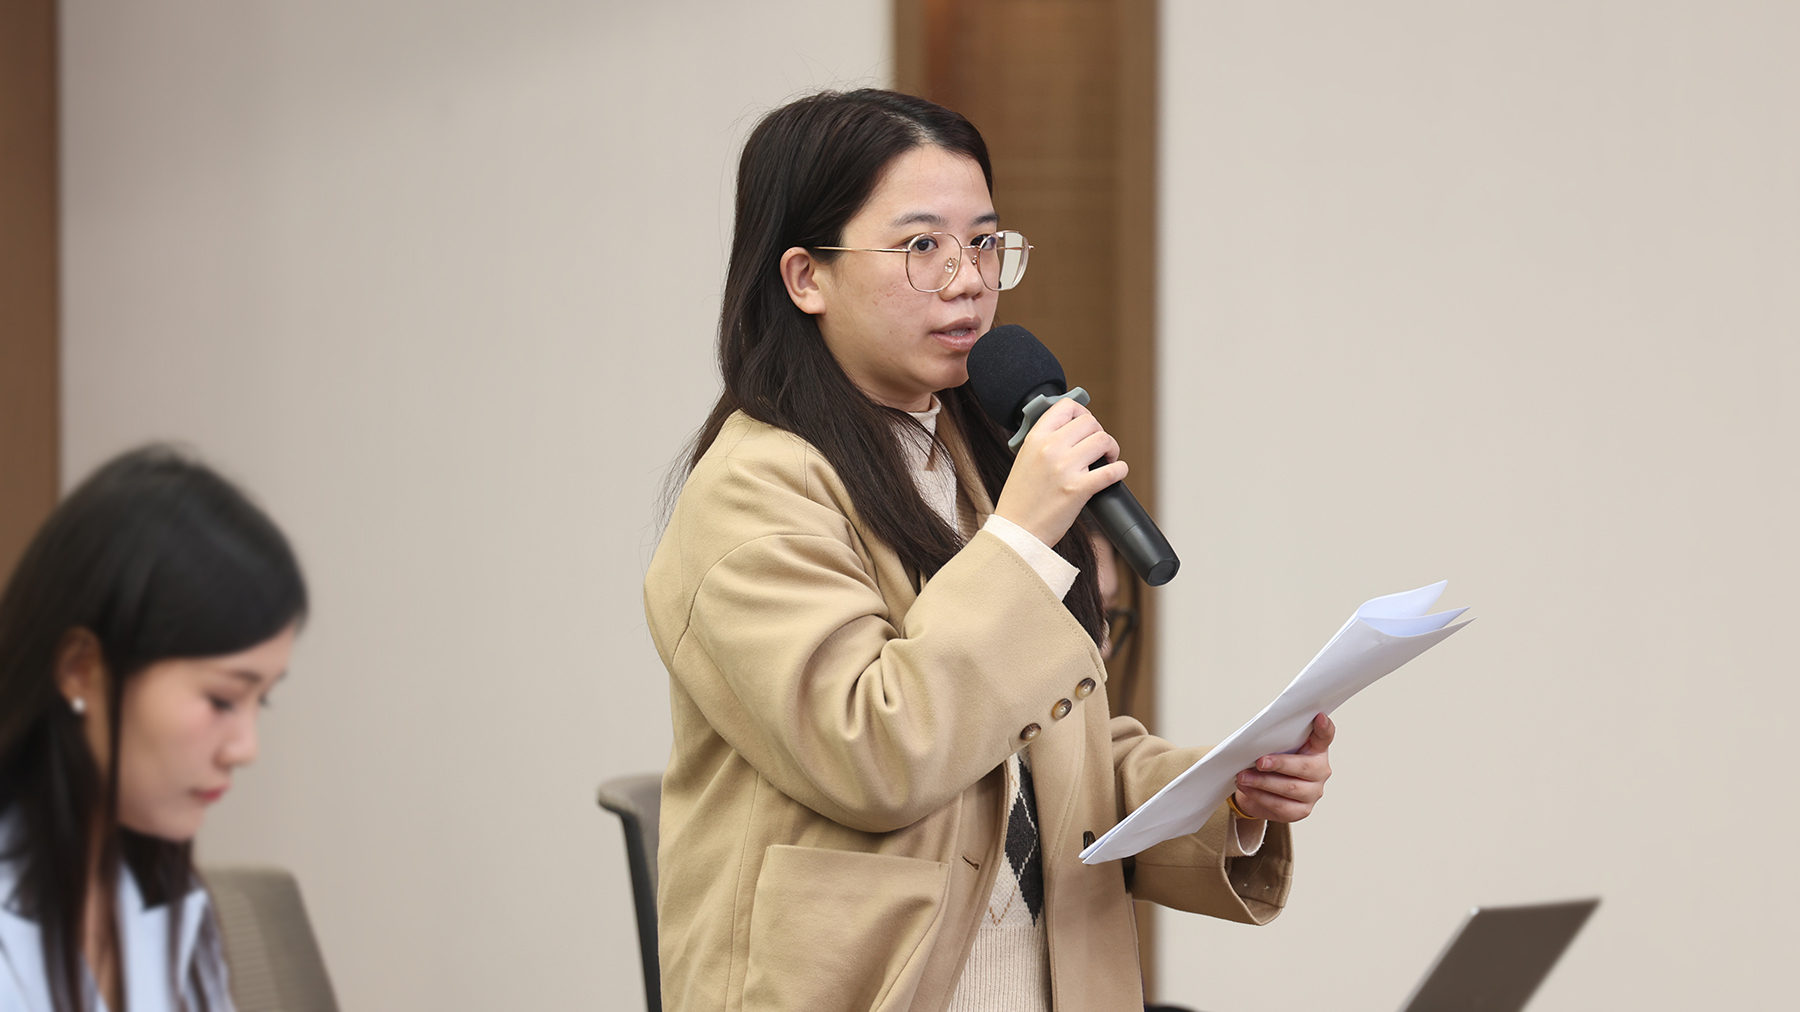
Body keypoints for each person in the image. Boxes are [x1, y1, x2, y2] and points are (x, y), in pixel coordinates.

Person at [644, 89, 1336, 1012]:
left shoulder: (977, 460)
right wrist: (1020, 538)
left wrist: (1229, 792)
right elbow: (877, 750)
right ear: (807, 277)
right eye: (921, 246)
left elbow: (1051, 767)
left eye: (983, 243)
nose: (967, 278)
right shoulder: (754, 490)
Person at [0, 447, 308, 1012]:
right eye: (222, 699)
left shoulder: (166, 896)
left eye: (261, 699)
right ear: (80, 669)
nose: (246, 749)